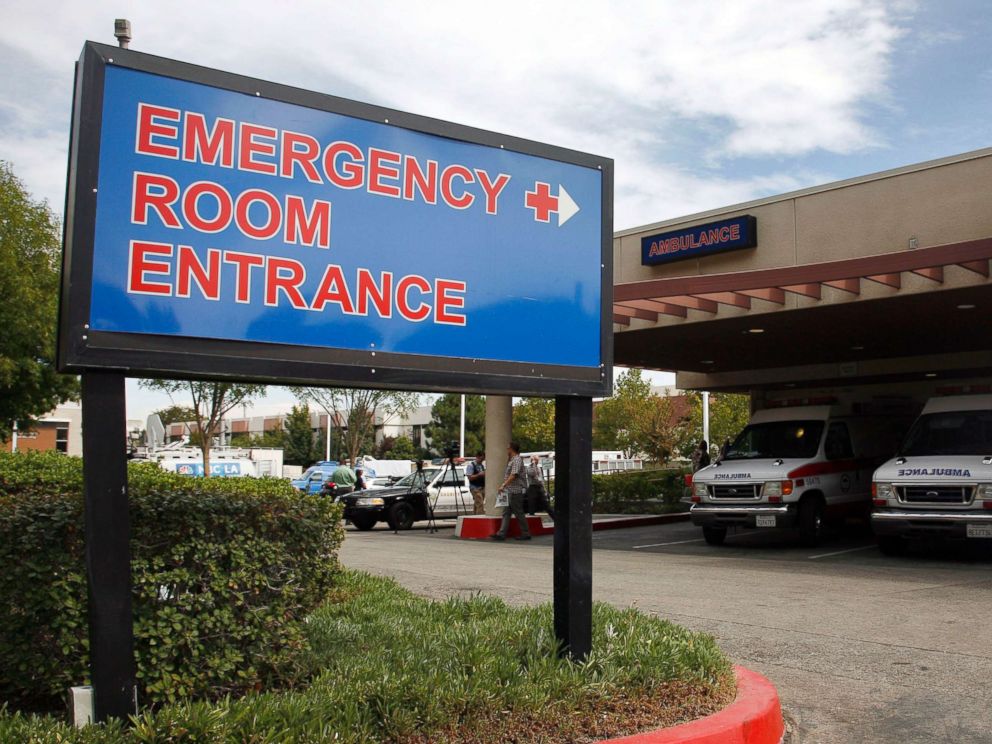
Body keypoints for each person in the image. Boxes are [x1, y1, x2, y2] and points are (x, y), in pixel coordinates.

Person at [491, 441, 530, 541]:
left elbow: (514, 475)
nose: (507, 449)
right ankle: (501, 533)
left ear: (512, 449)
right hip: (510, 490)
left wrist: (503, 485)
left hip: (515, 491)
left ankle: (526, 533)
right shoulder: (513, 459)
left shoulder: (516, 460)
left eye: (508, 448)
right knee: (506, 512)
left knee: (518, 512)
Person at [524, 454, 554, 521]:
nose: (537, 461)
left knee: (546, 504)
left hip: (539, 487)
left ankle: (555, 518)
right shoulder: (529, 468)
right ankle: (531, 519)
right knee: (532, 505)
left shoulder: (538, 468)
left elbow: (541, 479)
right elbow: (533, 474)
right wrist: (533, 464)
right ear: (532, 460)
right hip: (532, 488)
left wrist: (544, 489)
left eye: (538, 460)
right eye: (536, 460)